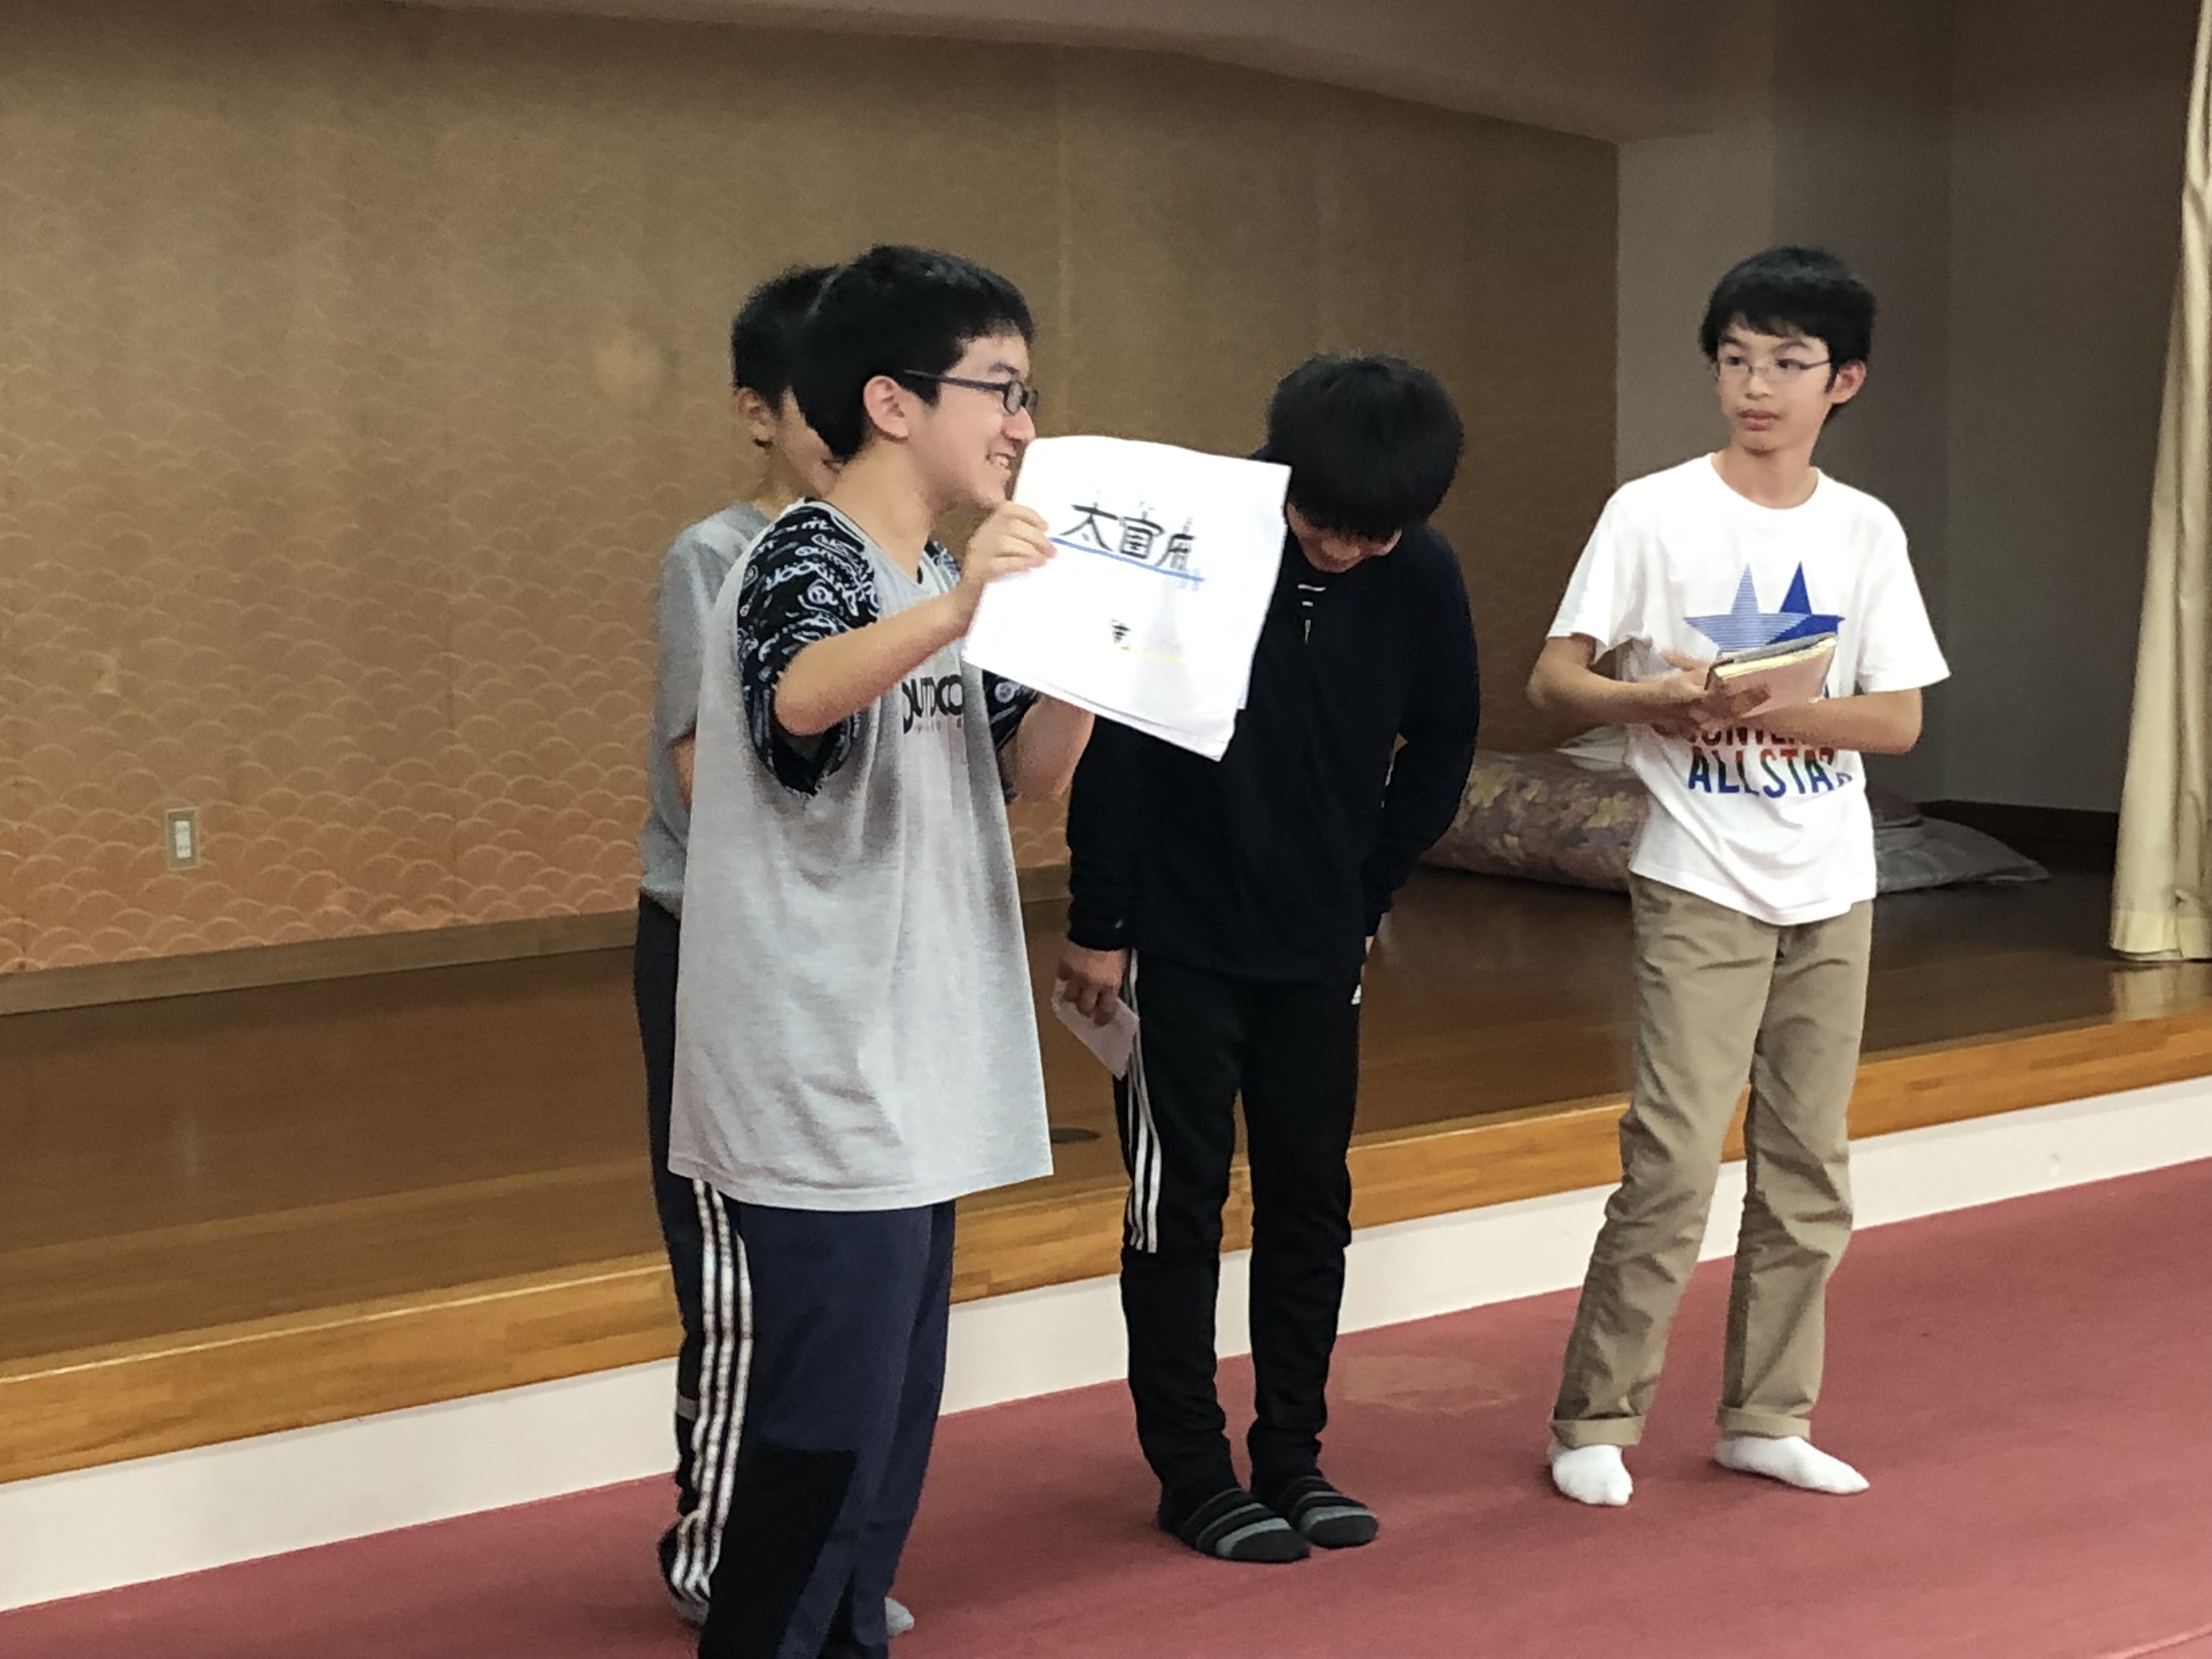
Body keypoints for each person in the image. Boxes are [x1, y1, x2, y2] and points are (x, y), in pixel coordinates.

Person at [669, 244, 1094, 1659]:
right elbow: (798, 701)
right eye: (1000, 389)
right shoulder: (807, 553)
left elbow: (1028, 772)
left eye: (1029, 394)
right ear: (893, 402)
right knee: (822, 1428)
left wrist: (1100, 662)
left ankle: (847, 1632)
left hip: (918, 1053)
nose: (1022, 425)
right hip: (819, 1062)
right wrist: (962, 610)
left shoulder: (934, 568)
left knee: (892, 1418)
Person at [1528, 245, 1948, 1508]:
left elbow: (1897, 721)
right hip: (1697, 871)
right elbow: (1556, 680)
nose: (1757, 386)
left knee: (1810, 1164)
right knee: (1669, 1160)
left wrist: (1760, 710)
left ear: (1844, 381)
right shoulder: (1649, 513)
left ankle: (1767, 1415)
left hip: (1832, 880)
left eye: (1788, 363)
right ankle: (1594, 1419)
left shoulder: (1864, 529)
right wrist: (1652, 703)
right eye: (1736, 359)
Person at [1057, 354, 1480, 1564]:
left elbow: (1445, 736)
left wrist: (1369, 889)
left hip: (1316, 941)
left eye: (1376, 535)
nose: (1346, 551)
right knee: (1176, 1205)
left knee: (1311, 1200)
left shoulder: (1420, 571)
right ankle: (1191, 1471)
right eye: (1325, 524)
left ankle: (1292, 1452)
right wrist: (1101, 920)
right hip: (1175, 936)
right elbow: (1117, 740)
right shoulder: (1196, 542)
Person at [634, 264, 845, 1628]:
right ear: (756, 413)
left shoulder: (912, 565)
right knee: (736, 1270)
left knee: (841, 1283)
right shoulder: (715, 557)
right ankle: (716, 1553)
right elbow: (704, 769)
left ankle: (826, 1554)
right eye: (816, 406)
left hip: (847, 964)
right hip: (724, 952)